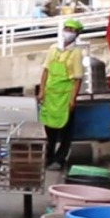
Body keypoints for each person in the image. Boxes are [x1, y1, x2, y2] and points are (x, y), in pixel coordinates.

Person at [37, 18, 85, 171]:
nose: (69, 32)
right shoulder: (53, 49)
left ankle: (60, 158)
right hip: (50, 95)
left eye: (72, 30)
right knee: (49, 129)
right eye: (67, 29)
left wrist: (73, 99)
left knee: (65, 131)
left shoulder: (76, 53)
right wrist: (42, 90)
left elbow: (77, 78)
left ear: (77, 34)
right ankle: (48, 157)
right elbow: (46, 71)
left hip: (65, 97)